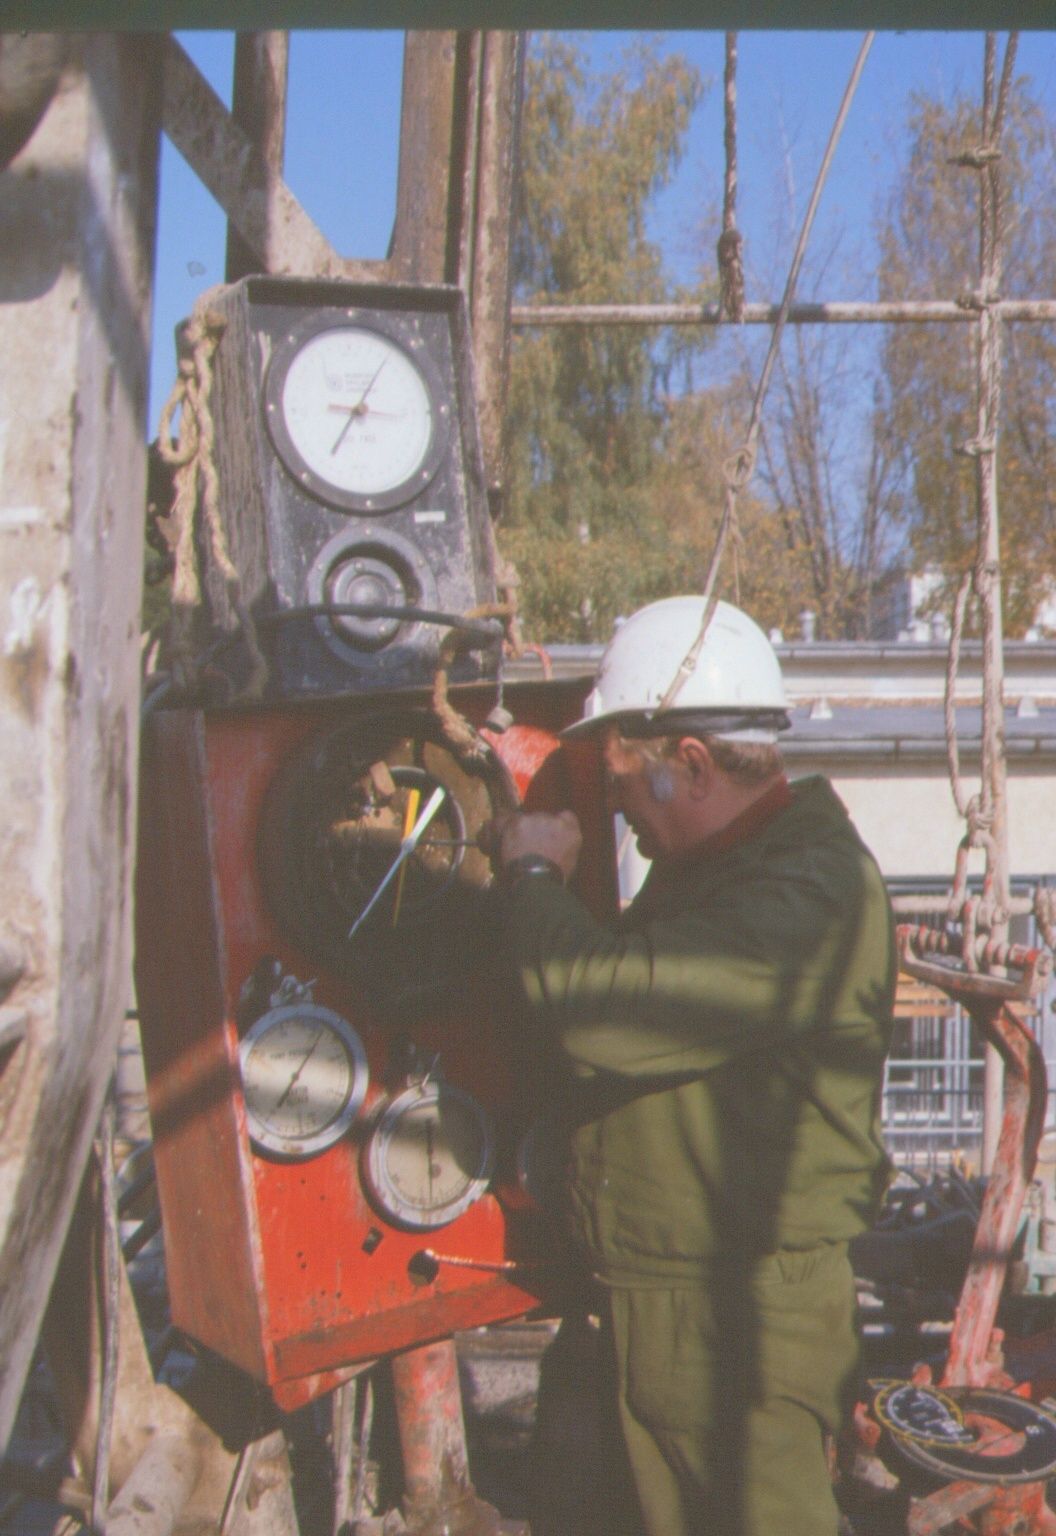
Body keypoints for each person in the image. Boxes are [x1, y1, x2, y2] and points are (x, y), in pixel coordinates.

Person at [487, 596, 895, 1536]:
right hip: (657, 1301)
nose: (618, 812)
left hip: (731, 1324)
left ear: (695, 764)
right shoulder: (716, 870)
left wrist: (534, 878)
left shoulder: (807, 894)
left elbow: (601, 1012)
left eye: (627, 784)